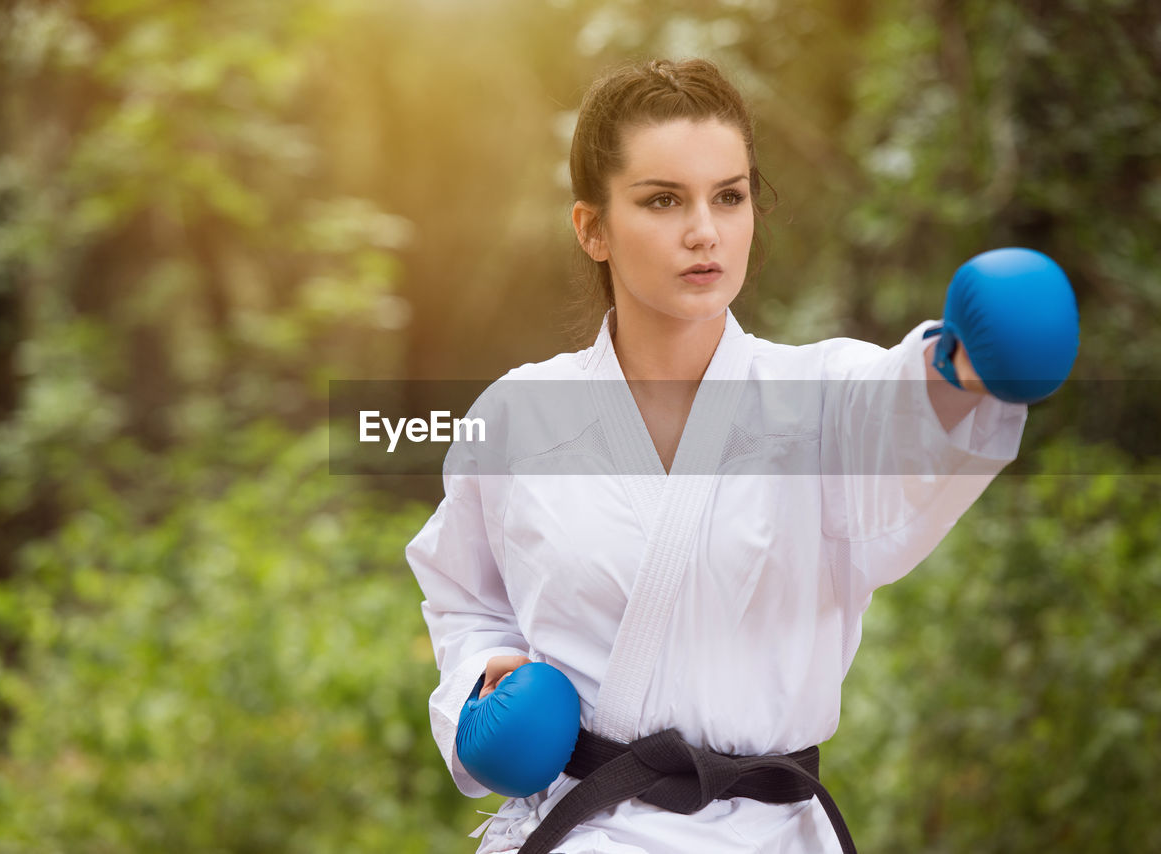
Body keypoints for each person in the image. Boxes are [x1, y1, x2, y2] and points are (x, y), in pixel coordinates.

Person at [406, 58, 1029, 854]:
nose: (704, 229)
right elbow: (464, 597)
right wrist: (484, 679)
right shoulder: (519, 416)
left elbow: (902, 411)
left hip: (774, 837)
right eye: (664, 199)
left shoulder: (820, 396)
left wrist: (962, 370)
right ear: (591, 228)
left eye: (728, 197)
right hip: (588, 833)